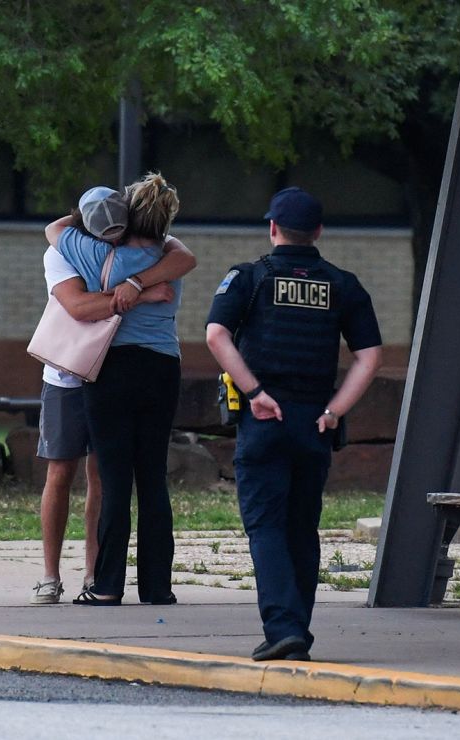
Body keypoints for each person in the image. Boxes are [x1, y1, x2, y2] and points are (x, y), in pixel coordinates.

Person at [205, 186, 382, 661]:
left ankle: (284, 628)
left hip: (265, 419)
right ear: (318, 232)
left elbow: (216, 334)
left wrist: (255, 393)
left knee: (265, 525)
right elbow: (369, 356)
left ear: (272, 228)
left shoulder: (249, 277)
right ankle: (296, 629)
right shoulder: (343, 284)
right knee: (302, 527)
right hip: (315, 424)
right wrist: (335, 410)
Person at [31, 186, 188, 605]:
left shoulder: (92, 252)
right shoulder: (167, 258)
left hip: (113, 367)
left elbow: (54, 229)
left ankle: (106, 585)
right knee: (153, 478)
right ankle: (157, 587)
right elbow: (187, 256)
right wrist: (142, 285)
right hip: (163, 366)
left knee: (115, 479)